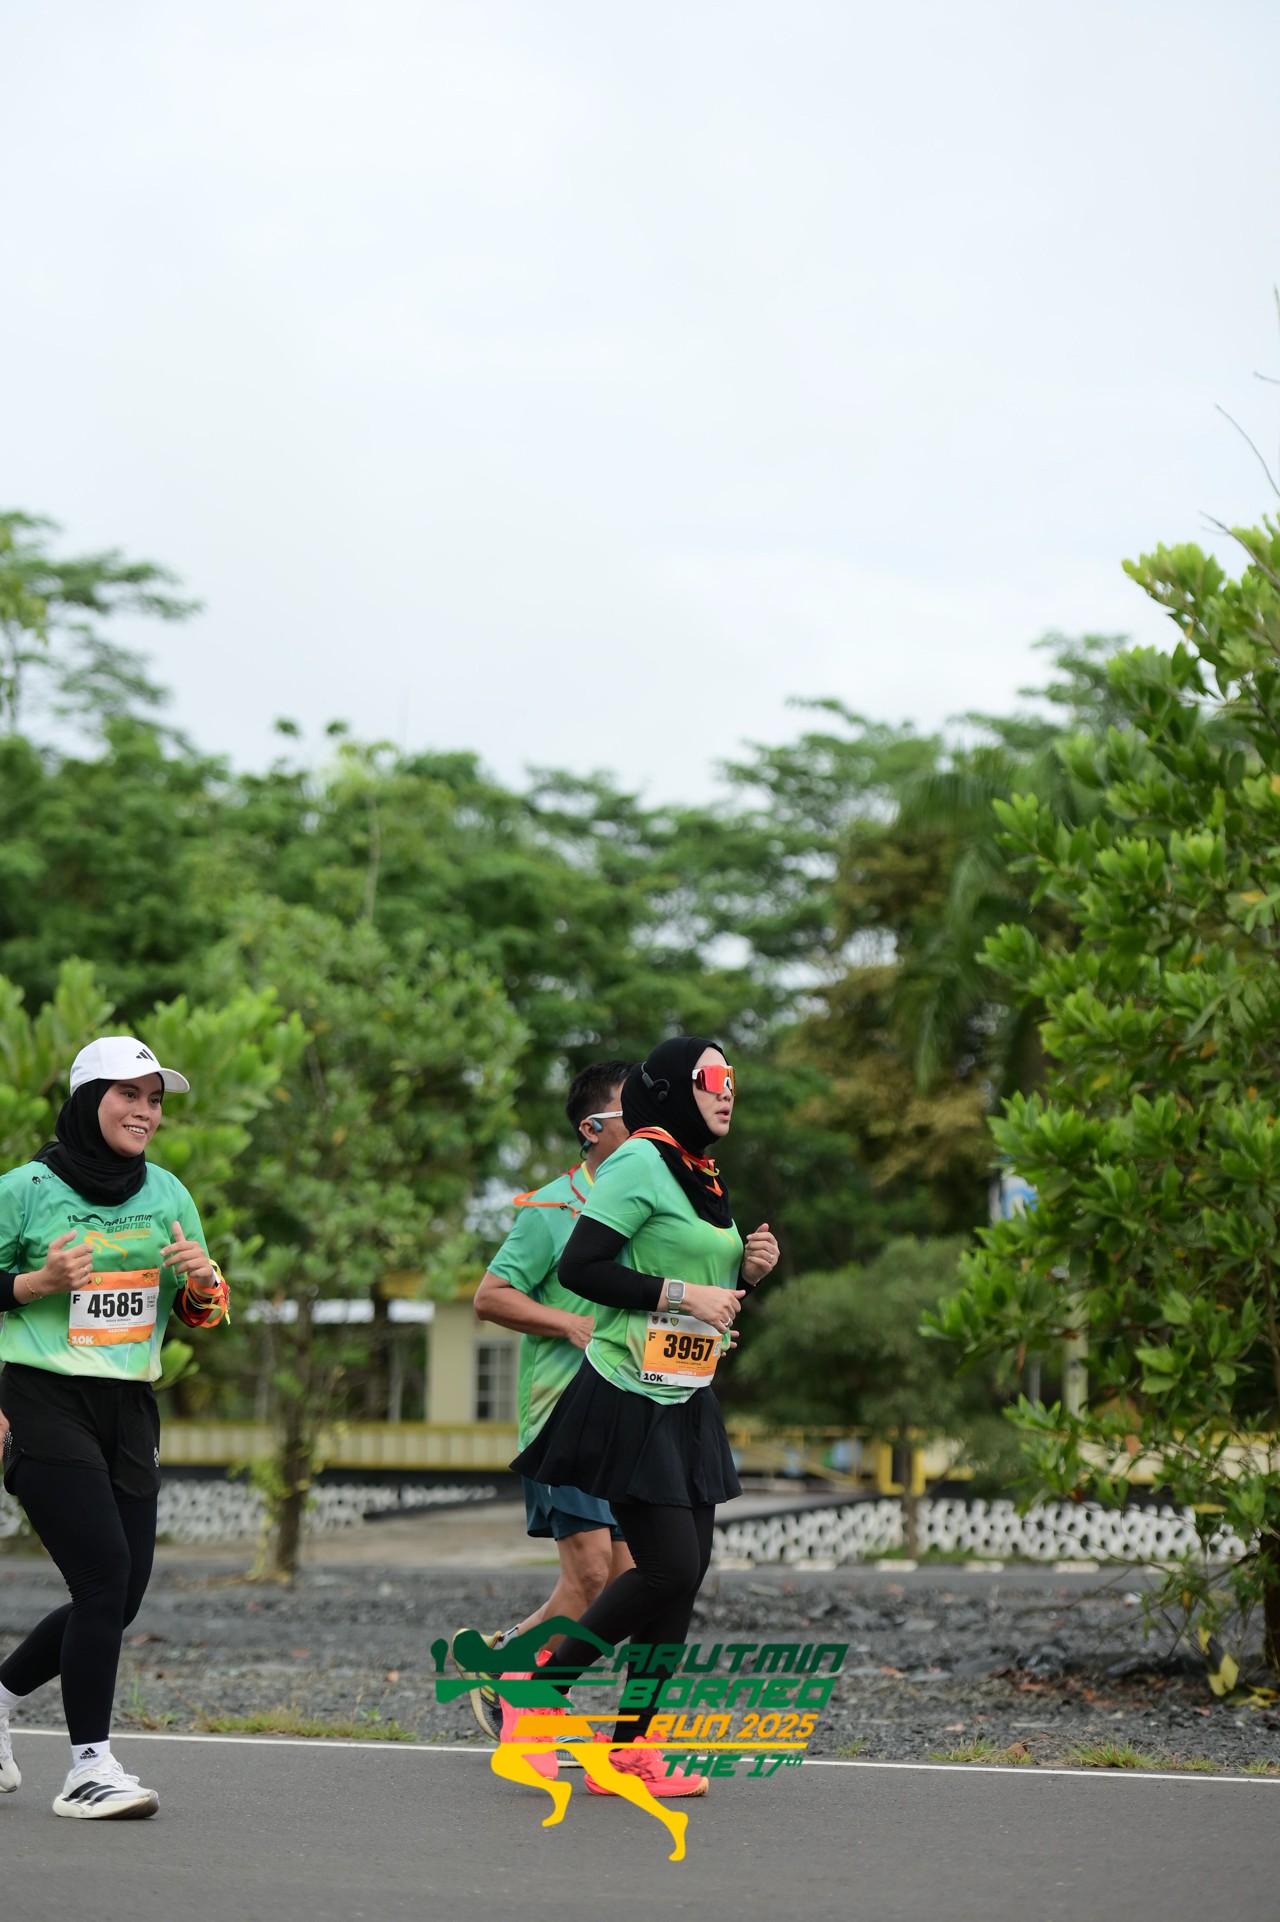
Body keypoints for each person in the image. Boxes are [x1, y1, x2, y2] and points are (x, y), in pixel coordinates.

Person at [508, 1035, 779, 1801]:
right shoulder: (639, 1159)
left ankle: (631, 1750)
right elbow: (582, 1268)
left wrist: (746, 1273)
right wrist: (684, 1295)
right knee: (667, 1569)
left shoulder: (700, 1173)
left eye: (731, 1077)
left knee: (680, 1582)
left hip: (687, 1392)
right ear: (667, 1089)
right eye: (710, 1077)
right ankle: (538, 1693)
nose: (726, 1090)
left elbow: (703, 1291)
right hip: (627, 1394)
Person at [0, 1036, 229, 1821]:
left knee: (121, 1596)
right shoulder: (25, 1190)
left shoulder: (167, 1192)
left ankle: (1, 1695)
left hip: (129, 1406)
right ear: (86, 1099)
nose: (145, 1112)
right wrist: (36, 1282)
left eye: (154, 1099)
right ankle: (88, 1770)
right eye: (128, 1094)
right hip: (42, 1397)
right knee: (101, 1577)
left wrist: (202, 1283)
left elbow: (205, 1310)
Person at [454, 1061, 636, 1742]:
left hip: (629, 1416)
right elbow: (490, 1297)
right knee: (590, 1573)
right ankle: (527, 1692)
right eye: (632, 1114)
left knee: (627, 1581)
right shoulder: (553, 1209)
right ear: (592, 1128)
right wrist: (568, 1323)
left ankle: (511, 1664)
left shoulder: (644, 1204)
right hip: (563, 1418)